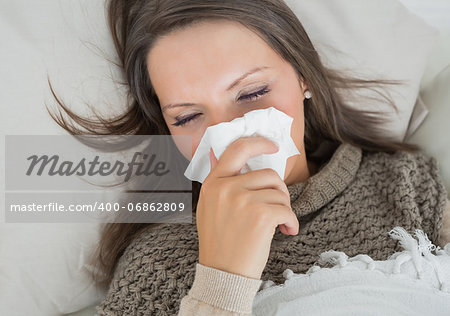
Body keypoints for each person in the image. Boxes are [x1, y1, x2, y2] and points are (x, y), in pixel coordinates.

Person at [47, 0, 450, 315]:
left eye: (253, 93)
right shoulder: (156, 265)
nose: (229, 138)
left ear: (303, 76)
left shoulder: (401, 181)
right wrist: (220, 279)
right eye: (188, 116)